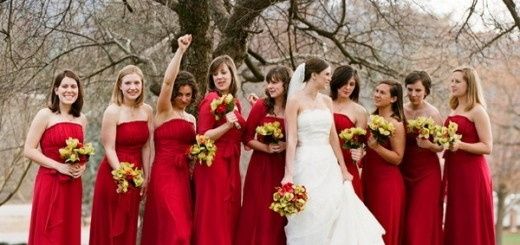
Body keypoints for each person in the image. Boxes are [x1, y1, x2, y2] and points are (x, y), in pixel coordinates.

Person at [281, 58, 384, 245]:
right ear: (314, 76)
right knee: (310, 212)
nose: (330, 78)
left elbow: (333, 137)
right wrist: (288, 173)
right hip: (305, 162)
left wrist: (343, 168)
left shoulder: (327, 101)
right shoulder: (295, 101)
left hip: (328, 162)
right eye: (327, 74)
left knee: (332, 211)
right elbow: (292, 138)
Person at [141, 34, 196, 245]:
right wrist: (180, 51)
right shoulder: (164, 110)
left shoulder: (191, 119)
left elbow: (193, 151)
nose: (183, 98)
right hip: (164, 174)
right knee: (174, 231)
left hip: (184, 178)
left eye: (188, 95)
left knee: (185, 229)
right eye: (180, 94)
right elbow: (167, 81)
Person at [89, 65, 153, 245]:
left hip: (136, 175)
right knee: (110, 226)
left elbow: (147, 145)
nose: (133, 87)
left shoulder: (147, 110)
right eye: (128, 83)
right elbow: (108, 148)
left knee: (128, 223)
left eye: (136, 82)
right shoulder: (113, 111)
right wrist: (124, 176)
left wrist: (146, 176)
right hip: (114, 174)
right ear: (120, 86)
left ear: (142, 85)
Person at [24, 70, 87, 245]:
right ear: (56, 90)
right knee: (48, 234)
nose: (69, 90)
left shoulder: (81, 119)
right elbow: (28, 149)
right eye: (65, 86)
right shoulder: (45, 115)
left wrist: (82, 167)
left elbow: (82, 153)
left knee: (68, 233)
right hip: (49, 182)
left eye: (73, 86)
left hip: (73, 185)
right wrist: (58, 166)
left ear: (78, 90)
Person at [235, 66, 292, 245]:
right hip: (260, 167)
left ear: (286, 84)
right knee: (257, 210)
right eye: (268, 82)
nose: (270, 86)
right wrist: (266, 148)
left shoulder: (292, 108)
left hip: (282, 168)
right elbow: (246, 138)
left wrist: (286, 145)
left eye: (275, 82)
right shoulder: (261, 106)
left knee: (276, 214)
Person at [193, 55, 246, 245]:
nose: (219, 77)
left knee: (229, 214)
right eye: (215, 74)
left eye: (223, 72)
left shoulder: (235, 103)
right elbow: (202, 136)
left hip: (232, 164)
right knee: (214, 215)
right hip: (213, 165)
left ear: (232, 73)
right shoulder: (211, 100)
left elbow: (244, 139)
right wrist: (227, 126)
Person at [443, 66, 494, 245]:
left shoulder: (478, 110)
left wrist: (460, 145)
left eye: (457, 81)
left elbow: (488, 146)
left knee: (470, 220)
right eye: (452, 81)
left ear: (469, 84)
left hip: (472, 174)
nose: (453, 84)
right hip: (455, 172)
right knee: (457, 218)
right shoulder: (454, 109)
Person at [401, 71, 443, 245]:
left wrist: (430, 146)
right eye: (410, 89)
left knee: (417, 220)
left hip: (427, 173)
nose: (413, 94)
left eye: (418, 90)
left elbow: (441, 145)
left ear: (426, 91)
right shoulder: (401, 110)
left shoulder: (433, 113)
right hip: (403, 169)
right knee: (403, 218)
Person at [362, 80, 406, 245]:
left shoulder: (396, 123)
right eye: (376, 91)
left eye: (382, 93)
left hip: (387, 185)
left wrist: (377, 148)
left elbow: (398, 157)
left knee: (383, 232)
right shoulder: (371, 118)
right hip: (368, 179)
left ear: (393, 99)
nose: (377, 95)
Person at [330, 65, 367, 199]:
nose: (347, 87)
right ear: (336, 82)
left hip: (347, 164)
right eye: (344, 83)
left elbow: (361, 144)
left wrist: (360, 152)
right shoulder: (324, 103)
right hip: (324, 160)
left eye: (351, 84)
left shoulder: (360, 111)